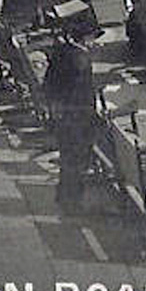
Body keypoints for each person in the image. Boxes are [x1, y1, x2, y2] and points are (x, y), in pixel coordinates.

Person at [45, 29, 97, 211]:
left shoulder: (62, 51)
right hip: (78, 120)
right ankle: (73, 202)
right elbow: (83, 95)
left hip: (62, 117)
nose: (94, 43)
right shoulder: (82, 60)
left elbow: (49, 82)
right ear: (84, 37)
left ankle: (63, 196)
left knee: (67, 159)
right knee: (77, 161)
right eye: (92, 38)